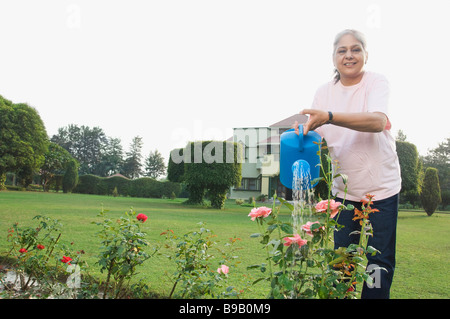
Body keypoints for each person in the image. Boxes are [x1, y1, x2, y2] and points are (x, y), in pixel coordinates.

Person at [298, 29, 402, 299]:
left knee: (378, 263)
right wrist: (302, 135)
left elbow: (377, 122)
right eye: (342, 50)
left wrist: (330, 116)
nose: (349, 55)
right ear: (333, 57)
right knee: (342, 262)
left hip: (382, 189)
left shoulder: (376, 82)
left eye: (356, 49)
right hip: (344, 192)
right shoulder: (323, 92)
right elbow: (316, 135)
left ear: (366, 54)